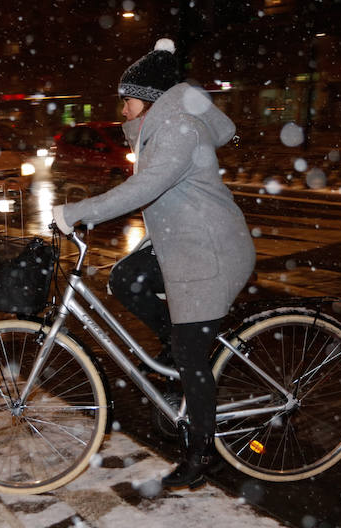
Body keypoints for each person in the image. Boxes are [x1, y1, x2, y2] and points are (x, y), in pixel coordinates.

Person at [52, 39, 256, 489]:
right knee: (126, 278)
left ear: (146, 100)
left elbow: (144, 188)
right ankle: (174, 347)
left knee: (190, 355)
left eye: (125, 99)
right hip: (182, 244)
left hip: (210, 254)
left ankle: (202, 455)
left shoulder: (180, 129)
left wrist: (78, 212)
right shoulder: (161, 127)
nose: (120, 108)